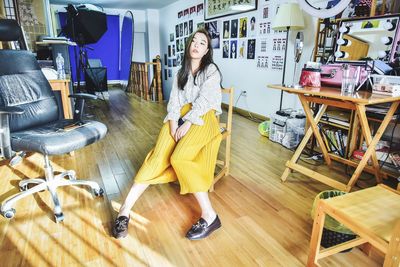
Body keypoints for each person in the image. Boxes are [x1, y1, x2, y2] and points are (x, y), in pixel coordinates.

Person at [112, 28, 223, 240]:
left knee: (179, 158)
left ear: (207, 49)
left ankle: (210, 215)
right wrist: (173, 122)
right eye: (194, 41)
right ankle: (124, 211)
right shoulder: (181, 72)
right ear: (189, 44)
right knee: (157, 158)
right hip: (180, 117)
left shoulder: (211, 71)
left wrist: (188, 122)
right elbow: (174, 101)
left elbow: (205, 101)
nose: (196, 45)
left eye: (202, 42)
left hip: (204, 118)